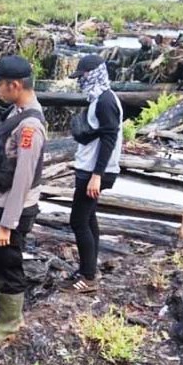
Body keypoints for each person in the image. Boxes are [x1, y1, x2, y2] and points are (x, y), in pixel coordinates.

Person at [0, 55, 47, 347]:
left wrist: (7, 223)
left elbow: (23, 179)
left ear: (15, 85)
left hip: (16, 208)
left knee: (8, 261)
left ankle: (11, 322)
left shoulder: (30, 127)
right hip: (4, 202)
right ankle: (6, 316)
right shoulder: (18, 111)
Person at [64, 55, 123, 293]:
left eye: (84, 76)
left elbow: (110, 137)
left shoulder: (105, 101)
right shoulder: (100, 97)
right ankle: (88, 268)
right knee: (88, 218)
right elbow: (101, 133)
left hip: (95, 170)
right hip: (92, 167)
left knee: (78, 220)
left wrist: (97, 174)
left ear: (95, 74)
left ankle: (88, 277)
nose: (82, 81)